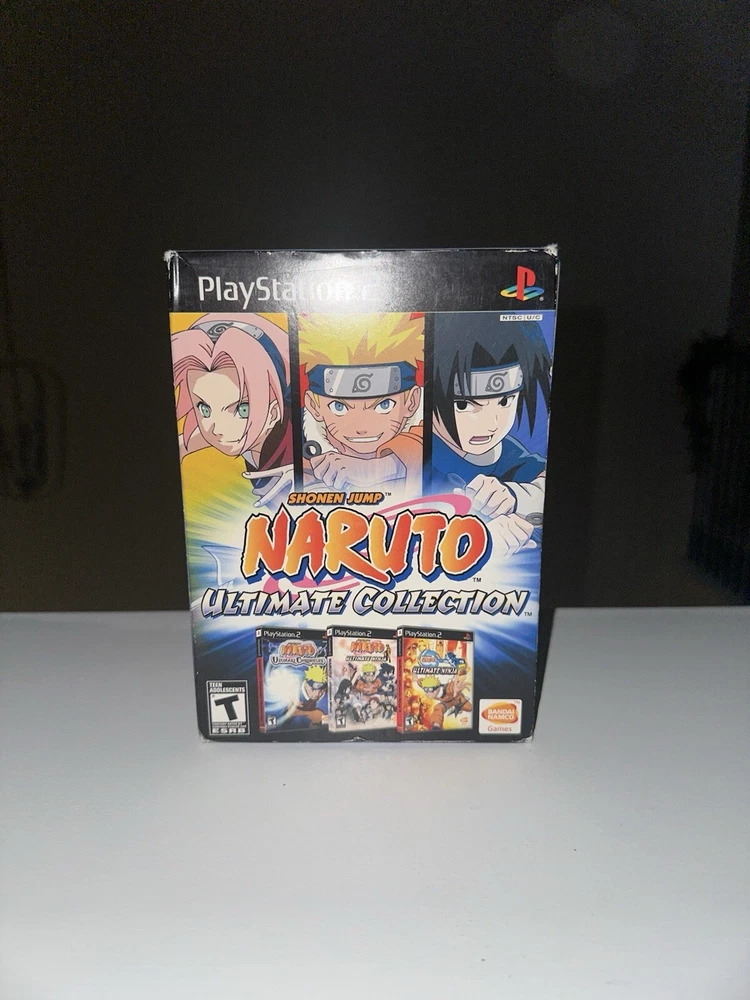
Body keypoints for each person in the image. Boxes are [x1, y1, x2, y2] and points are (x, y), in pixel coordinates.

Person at [432, 314, 552, 556]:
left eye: (506, 401)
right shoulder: (412, 456)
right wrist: (477, 542)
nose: (491, 425)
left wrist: (514, 497)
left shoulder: (509, 455)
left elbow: (541, 485)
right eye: (464, 405)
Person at [171, 312, 293, 507]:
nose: (217, 428)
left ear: (273, 412)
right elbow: (195, 439)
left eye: (242, 410)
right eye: (204, 409)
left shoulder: (298, 442)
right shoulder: (250, 433)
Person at [298, 312, 424, 498]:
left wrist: (379, 468)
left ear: (411, 401)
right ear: (313, 405)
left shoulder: (432, 431)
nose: (362, 427)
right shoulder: (300, 452)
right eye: (339, 407)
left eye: (384, 405)